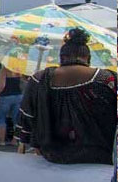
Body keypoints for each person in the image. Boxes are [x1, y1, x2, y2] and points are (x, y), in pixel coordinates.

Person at [17, 28, 117, 164]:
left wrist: (27, 142)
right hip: (101, 158)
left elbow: (26, 119)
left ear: (61, 58)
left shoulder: (39, 79)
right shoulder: (107, 79)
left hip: (53, 159)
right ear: (88, 58)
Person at [0, 66, 23, 146]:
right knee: (16, 119)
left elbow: (2, 85)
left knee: (1, 118)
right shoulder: (19, 68)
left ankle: (2, 141)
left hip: (6, 96)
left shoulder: (4, 69)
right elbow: (22, 83)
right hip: (18, 96)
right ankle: (15, 141)